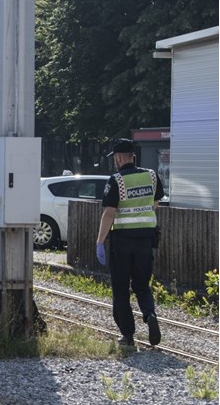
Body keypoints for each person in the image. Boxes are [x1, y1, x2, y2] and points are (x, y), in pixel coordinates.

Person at [95, 138, 164, 347]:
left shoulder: (116, 180)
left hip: (122, 242)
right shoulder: (151, 176)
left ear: (118, 157)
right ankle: (149, 314)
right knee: (142, 285)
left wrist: (100, 241)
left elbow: (109, 213)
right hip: (145, 241)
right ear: (133, 156)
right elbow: (155, 203)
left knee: (121, 288)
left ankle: (128, 336)